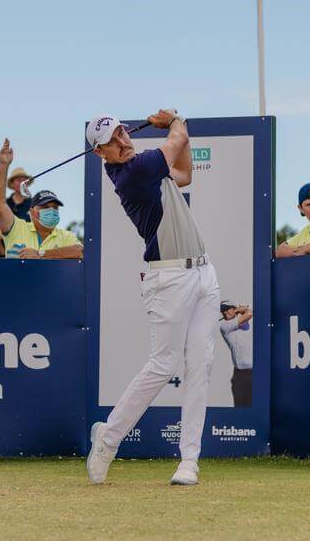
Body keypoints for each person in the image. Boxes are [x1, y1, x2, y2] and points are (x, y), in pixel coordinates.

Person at [84, 110, 218, 488]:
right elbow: (176, 141)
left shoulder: (148, 168)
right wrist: (176, 119)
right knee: (163, 364)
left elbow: (186, 172)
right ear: (100, 154)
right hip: (169, 278)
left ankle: (189, 460)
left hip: (204, 272)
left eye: (122, 133)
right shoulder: (134, 172)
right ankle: (108, 439)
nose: (122, 141)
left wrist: (181, 129)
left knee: (200, 364)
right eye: (112, 141)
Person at [0, 143, 83, 260]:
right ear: (32, 211)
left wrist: (40, 254)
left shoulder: (65, 235)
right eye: (45, 206)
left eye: (55, 207)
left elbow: (79, 251)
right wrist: (3, 165)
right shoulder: (17, 228)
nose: (51, 210)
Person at [219, 301, 254, 407]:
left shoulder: (247, 323)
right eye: (222, 311)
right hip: (240, 375)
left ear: (234, 309)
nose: (224, 312)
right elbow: (249, 314)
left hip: (255, 373)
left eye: (227, 309)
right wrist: (240, 309)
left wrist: (241, 308)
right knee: (240, 408)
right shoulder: (225, 326)